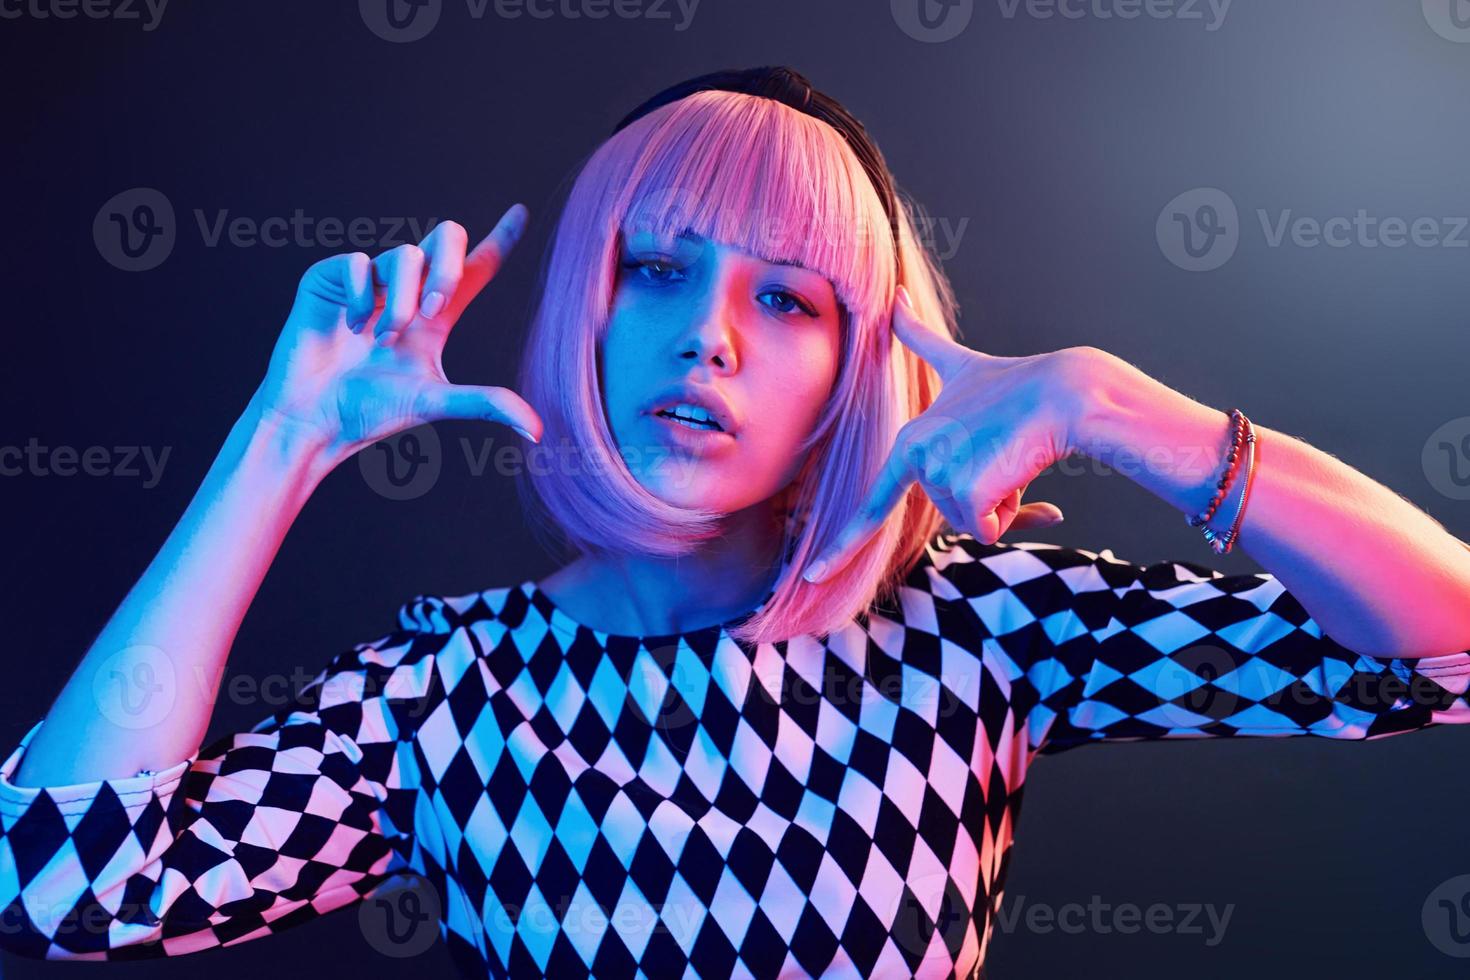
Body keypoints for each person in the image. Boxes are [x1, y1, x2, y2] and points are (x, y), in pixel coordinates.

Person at [2, 65, 1468, 980]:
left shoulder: (974, 629)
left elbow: (1441, 651)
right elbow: (65, 883)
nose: (707, 340)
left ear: (855, 365)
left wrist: (1120, 408)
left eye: (786, 298)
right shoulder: (451, 693)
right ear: (586, 299)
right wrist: (281, 444)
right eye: (655, 270)